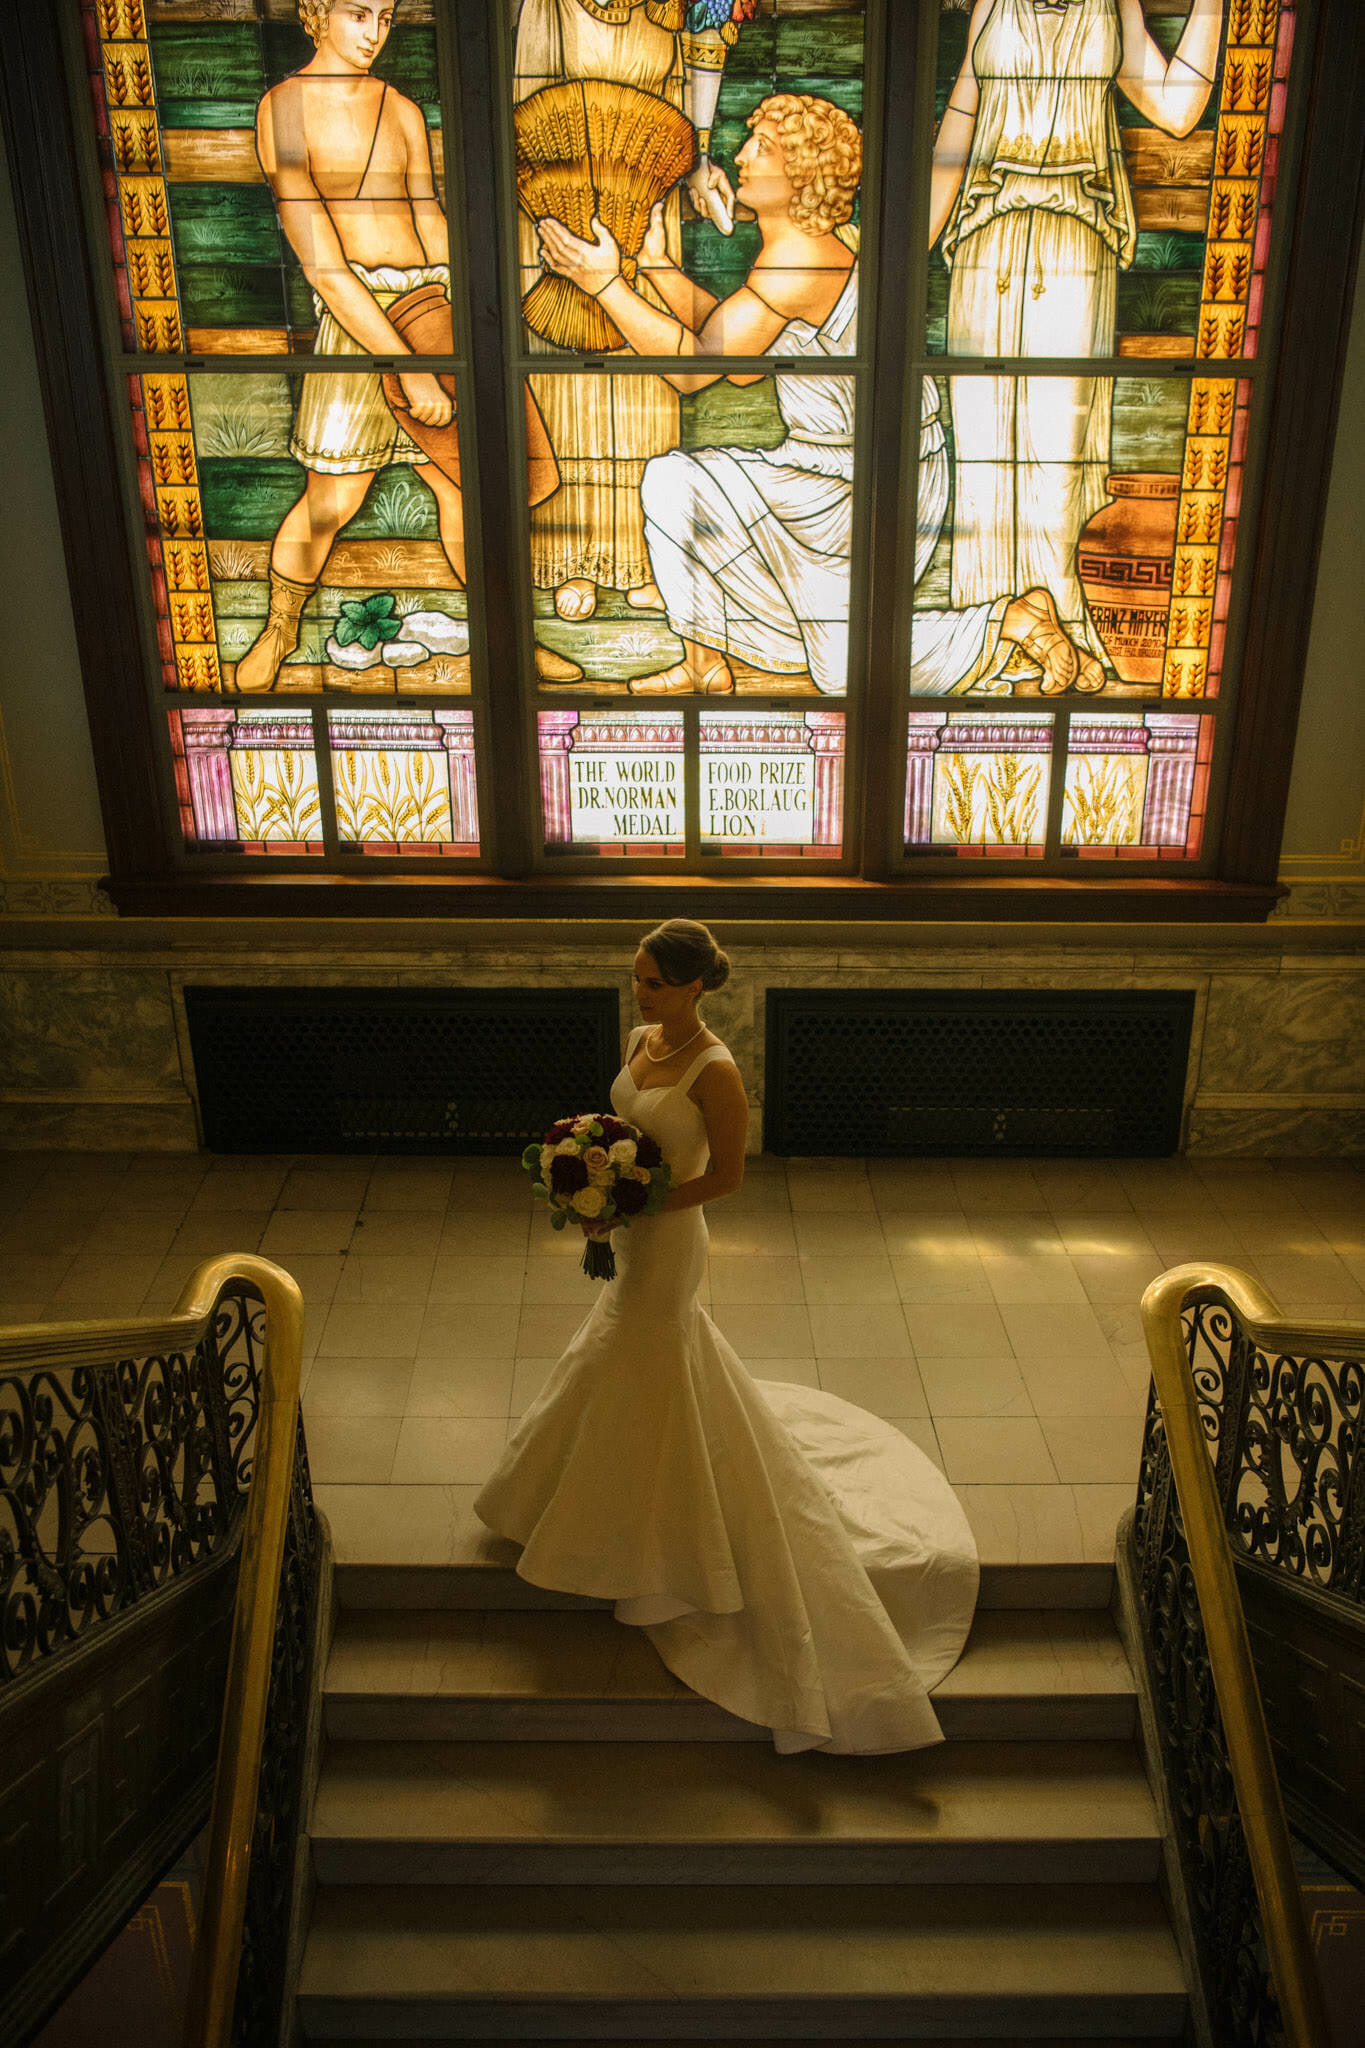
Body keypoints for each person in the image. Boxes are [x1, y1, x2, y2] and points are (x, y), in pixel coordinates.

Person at [476, 920, 979, 1754]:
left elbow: (728, 1177)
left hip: (671, 1239)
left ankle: (650, 1542)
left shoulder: (716, 1071)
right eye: (636, 979)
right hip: (632, 1229)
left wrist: (632, 1204)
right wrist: (593, 1172)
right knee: (626, 1358)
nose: (641, 994)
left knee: (641, 1352)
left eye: (656, 984)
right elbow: (621, 1124)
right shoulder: (640, 1041)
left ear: (695, 986)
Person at [538, 93, 1102, 695]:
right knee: (679, 485)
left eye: (765, 148)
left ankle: (1011, 620)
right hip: (838, 470)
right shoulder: (819, 245)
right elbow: (744, 361)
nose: (742, 155)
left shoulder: (798, 260)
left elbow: (696, 369)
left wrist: (604, 286)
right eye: (752, 140)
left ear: (802, 175)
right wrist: (655, 270)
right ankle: (703, 662)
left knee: (841, 673)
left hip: (864, 489)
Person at [930, 0, 1224, 655]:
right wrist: (886, 265)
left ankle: (1058, 629)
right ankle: (986, 643)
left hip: (1073, 245)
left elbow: (1175, 110)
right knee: (978, 456)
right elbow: (958, 122)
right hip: (985, 241)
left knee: (1058, 463)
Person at [512, 0, 745, 642]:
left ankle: (636, 549)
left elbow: (706, 33)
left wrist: (695, 157)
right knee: (567, 346)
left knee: (642, 342)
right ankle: (572, 555)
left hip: (649, 145)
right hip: (558, 144)